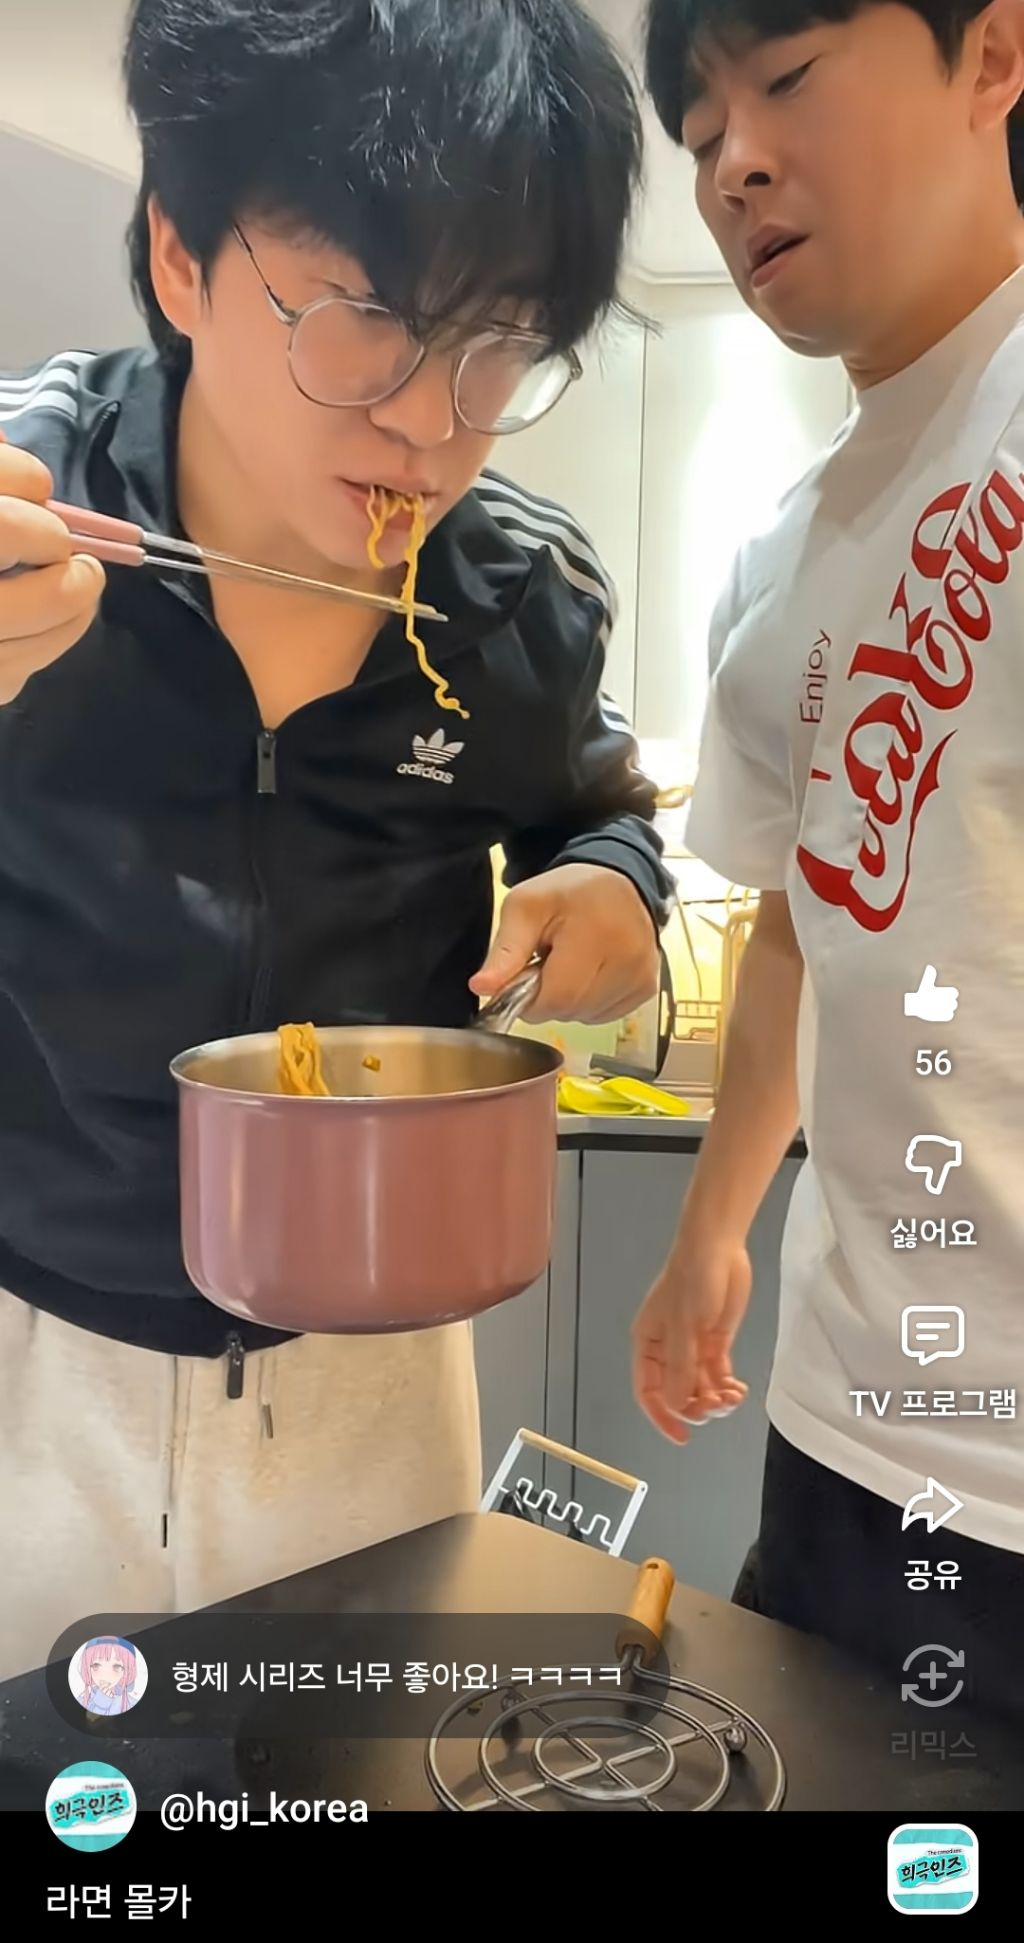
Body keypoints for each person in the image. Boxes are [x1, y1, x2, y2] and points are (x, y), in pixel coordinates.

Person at [0, 0, 671, 1681]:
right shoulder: (27, 502)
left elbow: (600, 811)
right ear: (180, 257)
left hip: (378, 1361)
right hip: (32, 1341)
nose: (434, 426)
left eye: (502, 346)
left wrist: (613, 881)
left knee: (358, 1767)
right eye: (367, 322)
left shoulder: (518, 603)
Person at [636, 0, 1024, 1717]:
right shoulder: (780, 561)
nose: (737, 165)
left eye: (785, 79)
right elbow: (802, 926)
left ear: (991, 59)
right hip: (848, 1435)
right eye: (700, 131)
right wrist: (711, 1231)